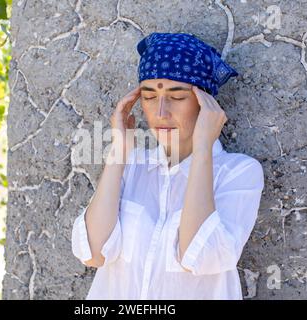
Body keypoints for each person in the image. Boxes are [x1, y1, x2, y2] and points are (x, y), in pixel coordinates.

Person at [71, 32, 265, 299]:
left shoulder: (239, 173)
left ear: (205, 103)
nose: (161, 112)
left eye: (177, 96)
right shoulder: (130, 166)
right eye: (149, 97)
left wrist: (202, 149)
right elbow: (92, 252)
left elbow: (198, 257)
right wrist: (118, 151)